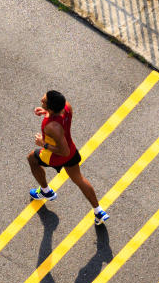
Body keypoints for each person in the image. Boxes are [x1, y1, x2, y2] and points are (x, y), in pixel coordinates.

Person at [27, 90, 109, 225]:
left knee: (31, 158)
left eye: (44, 101)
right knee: (79, 179)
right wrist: (46, 112)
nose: (42, 100)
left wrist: (44, 144)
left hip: (56, 156)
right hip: (72, 151)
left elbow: (62, 151)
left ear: (52, 108)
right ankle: (98, 211)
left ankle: (46, 191)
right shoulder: (66, 106)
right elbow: (58, 119)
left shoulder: (52, 127)